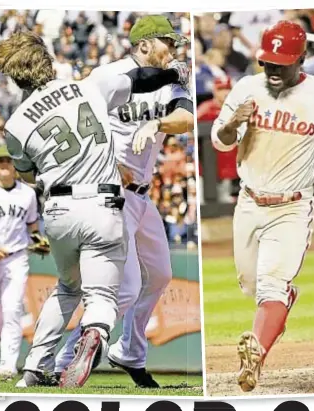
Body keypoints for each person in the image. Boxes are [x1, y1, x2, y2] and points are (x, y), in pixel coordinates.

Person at [0, 30, 189, 389]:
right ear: (47, 62)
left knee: (68, 288)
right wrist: (174, 75)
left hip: (58, 209)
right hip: (102, 203)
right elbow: (140, 78)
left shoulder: (16, 123)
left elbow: (27, 174)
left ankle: (35, 367)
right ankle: (95, 334)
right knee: (103, 296)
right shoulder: (86, 87)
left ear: (14, 74)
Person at [53, 14, 194, 388]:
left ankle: (129, 351)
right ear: (145, 44)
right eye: (168, 42)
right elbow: (74, 122)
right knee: (126, 287)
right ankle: (63, 362)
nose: (174, 50)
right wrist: (107, 161)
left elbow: (185, 118)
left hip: (143, 197)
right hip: (110, 192)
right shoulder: (108, 76)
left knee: (161, 274)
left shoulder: (169, 79)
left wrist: (157, 124)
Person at [210, 20, 314, 392]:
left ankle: (256, 356)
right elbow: (220, 141)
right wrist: (233, 122)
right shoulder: (246, 87)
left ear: (300, 59)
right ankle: (280, 302)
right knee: (252, 284)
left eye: (281, 63)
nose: (273, 70)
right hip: (249, 203)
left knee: (272, 285)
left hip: (292, 207)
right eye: (268, 62)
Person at [0, 145, 40, 380]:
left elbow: (33, 226)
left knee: (12, 309)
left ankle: (7, 365)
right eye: (0, 161)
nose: (4, 165)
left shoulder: (27, 194)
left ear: (15, 165)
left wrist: (39, 242)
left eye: (8, 161)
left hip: (16, 256)